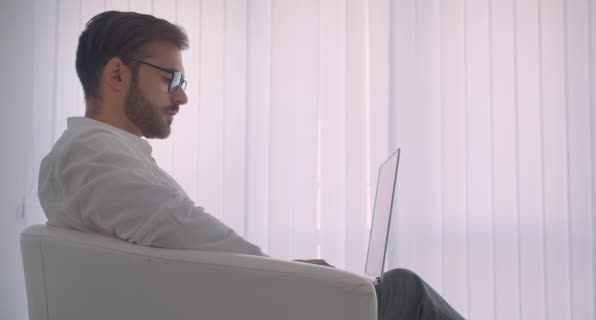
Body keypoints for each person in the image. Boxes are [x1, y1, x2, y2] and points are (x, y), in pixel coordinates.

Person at [38, 11, 464, 320]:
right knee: (404, 289)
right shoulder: (91, 156)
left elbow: (179, 246)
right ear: (117, 75)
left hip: (214, 301)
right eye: (172, 79)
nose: (182, 96)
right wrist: (286, 274)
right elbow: (180, 227)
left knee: (391, 288)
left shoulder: (99, 154)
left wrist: (285, 272)